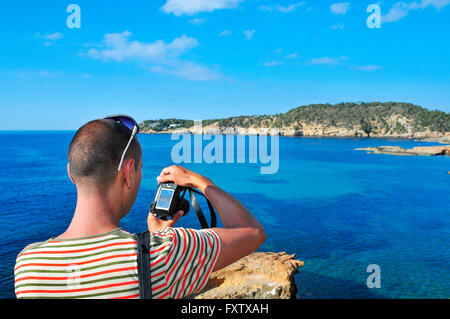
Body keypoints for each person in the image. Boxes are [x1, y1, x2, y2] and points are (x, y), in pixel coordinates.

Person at [14, 116, 266, 299]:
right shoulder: (164, 254)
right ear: (128, 173)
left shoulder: (28, 266)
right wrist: (197, 181)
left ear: (71, 174)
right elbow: (252, 231)